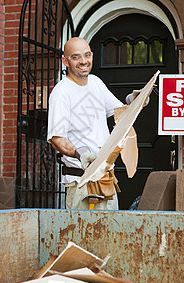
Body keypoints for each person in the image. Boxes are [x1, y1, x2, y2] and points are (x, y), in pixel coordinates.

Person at [47, 37, 133, 210]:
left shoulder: (95, 83)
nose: (83, 61)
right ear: (65, 61)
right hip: (82, 184)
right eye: (76, 57)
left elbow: (120, 113)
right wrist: (81, 154)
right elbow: (57, 138)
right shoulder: (62, 92)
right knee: (83, 236)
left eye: (87, 55)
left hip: (107, 180)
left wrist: (134, 101)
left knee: (110, 235)